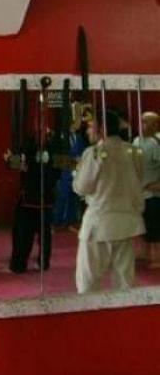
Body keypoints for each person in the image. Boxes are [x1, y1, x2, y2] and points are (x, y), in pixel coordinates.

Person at [73, 109, 145, 293]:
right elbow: (139, 180)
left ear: (101, 129)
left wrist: (76, 173)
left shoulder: (95, 152)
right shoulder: (134, 151)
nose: (88, 130)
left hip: (99, 223)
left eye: (91, 126)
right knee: (125, 283)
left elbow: (81, 187)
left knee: (88, 283)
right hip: (126, 223)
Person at [9, 135, 60, 273]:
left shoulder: (29, 145)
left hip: (30, 198)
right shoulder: (54, 146)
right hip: (46, 198)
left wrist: (9, 159)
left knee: (24, 234)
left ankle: (19, 265)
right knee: (45, 233)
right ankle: (44, 263)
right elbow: (61, 166)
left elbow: (17, 164)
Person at [132, 111, 160, 267]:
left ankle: (157, 257)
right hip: (140, 191)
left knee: (154, 225)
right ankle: (144, 252)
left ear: (155, 125)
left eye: (145, 122)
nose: (141, 125)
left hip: (153, 192)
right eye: (141, 121)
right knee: (142, 225)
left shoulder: (157, 142)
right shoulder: (136, 140)